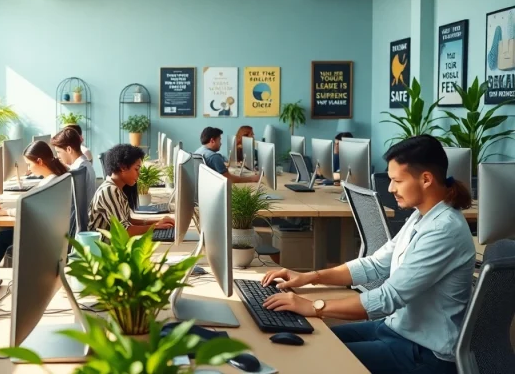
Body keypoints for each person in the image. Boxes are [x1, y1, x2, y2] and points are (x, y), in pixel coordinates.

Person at [261, 135, 474, 374]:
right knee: (306, 338)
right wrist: (309, 277)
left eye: (397, 181)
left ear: (426, 179)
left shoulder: (444, 229)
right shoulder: (421, 215)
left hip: (422, 353)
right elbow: (375, 265)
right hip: (394, 330)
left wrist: (313, 306)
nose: (390, 188)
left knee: (311, 356)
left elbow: (388, 298)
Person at [0, 141, 69, 266]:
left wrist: (5, 212)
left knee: (2, 237)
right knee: (4, 235)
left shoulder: (49, 185)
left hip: (43, 237)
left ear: (39, 161)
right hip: (50, 233)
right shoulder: (56, 178)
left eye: (29, 164)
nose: (28, 168)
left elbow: (29, 210)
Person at [88, 144, 174, 236]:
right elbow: (124, 231)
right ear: (123, 167)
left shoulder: (118, 189)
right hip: (103, 248)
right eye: (136, 169)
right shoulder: (109, 190)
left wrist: (159, 222)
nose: (139, 174)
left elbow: (128, 221)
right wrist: (154, 226)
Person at [194, 127, 259, 184]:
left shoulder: (199, 151)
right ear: (212, 141)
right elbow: (230, 179)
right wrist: (251, 178)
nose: (221, 143)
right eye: (219, 140)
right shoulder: (214, 157)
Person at [51, 127, 97, 200]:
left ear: (69, 149)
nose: (58, 156)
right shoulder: (85, 165)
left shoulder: (78, 171)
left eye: (58, 152)